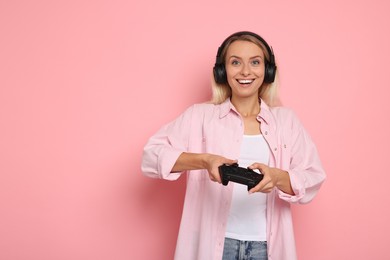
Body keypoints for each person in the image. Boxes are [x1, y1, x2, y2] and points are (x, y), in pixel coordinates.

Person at [141, 31, 326, 260]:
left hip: (265, 248)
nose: (246, 72)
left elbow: (313, 177)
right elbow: (151, 157)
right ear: (222, 71)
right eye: (235, 62)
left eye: (255, 62)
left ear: (267, 71)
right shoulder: (199, 117)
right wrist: (204, 160)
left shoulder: (286, 121)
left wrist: (277, 177)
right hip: (214, 247)